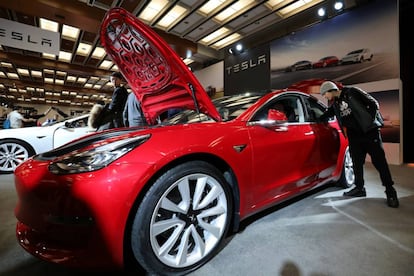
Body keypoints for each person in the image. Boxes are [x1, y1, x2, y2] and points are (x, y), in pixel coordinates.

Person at [319, 81, 399, 208]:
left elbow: (373, 104)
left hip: (369, 133)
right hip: (354, 137)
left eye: (325, 94)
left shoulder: (352, 92)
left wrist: (369, 123)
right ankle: (359, 188)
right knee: (357, 163)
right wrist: (317, 118)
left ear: (330, 90)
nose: (325, 97)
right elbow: (327, 114)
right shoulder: (336, 104)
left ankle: (390, 192)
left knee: (380, 163)